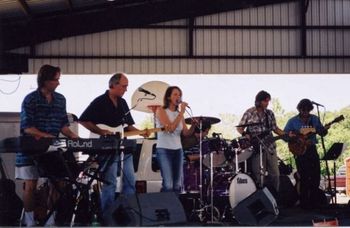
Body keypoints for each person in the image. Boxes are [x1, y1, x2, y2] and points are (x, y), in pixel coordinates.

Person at [15, 64, 78, 226]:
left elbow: (63, 126)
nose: (58, 83)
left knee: (57, 183)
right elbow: (27, 127)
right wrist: (46, 136)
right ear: (45, 81)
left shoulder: (60, 99)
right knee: (30, 184)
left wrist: (74, 136)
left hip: (52, 149)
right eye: (56, 79)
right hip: (30, 148)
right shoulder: (30, 99)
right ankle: (29, 221)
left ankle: (50, 221)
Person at [79, 72, 148, 219]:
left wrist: (142, 133)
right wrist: (100, 131)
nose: (126, 89)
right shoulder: (99, 101)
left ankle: (128, 213)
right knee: (110, 182)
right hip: (106, 147)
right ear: (114, 85)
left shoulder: (123, 103)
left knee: (130, 181)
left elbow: (128, 127)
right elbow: (83, 120)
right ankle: (107, 216)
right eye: (124, 86)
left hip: (122, 146)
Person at [236, 90, 287, 193]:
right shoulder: (249, 112)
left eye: (268, 101)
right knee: (259, 174)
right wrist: (245, 134)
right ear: (258, 101)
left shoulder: (269, 113)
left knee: (275, 174)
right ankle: (261, 196)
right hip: (256, 148)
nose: (267, 103)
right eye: (265, 101)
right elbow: (240, 127)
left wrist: (286, 134)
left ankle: (274, 197)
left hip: (270, 146)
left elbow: (275, 128)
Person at [284, 98, 329, 209]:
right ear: (299, 109)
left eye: (307, 110)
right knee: (304, 177)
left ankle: (314, 202)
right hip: (299, 151)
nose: (305, 112)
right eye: (303, 110)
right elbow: (285, 136)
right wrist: (296, 138)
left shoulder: (314, 119)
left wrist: (325, 129)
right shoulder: (292, 121)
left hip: (312, 149)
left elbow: (322, 133)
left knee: (315, 176)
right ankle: (304, 203)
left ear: (310, 109)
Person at [155, 86, 196, 192]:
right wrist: (182, 112)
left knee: (177, 185)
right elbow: (170, 129)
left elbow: (186, 133)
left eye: (180, 95)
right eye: (175, 94)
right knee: (168, 184)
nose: (178, 97)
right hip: (164, 150)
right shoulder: (161, 110)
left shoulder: (179, 114)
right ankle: (166, 207)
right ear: (168, 97)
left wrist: (193, 125)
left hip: (178, 150)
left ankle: (175, 207)